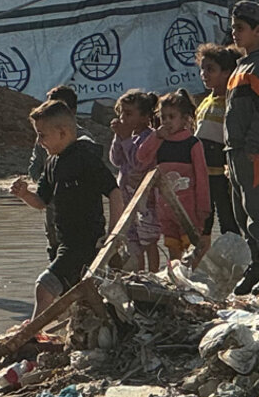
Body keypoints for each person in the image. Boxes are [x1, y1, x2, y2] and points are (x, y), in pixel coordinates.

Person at [10, 100, 122, 317]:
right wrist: (24, 194)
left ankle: (33, 334)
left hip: (85, 242)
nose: (39, 141)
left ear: (62, 133)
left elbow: (114, 192)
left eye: (42, 135)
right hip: (65, 242)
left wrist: (113, 235)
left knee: (44, 287)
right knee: (79, 298)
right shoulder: (52, 163)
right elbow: (41, 202)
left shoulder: (85, 158)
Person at [223, 0, 259, 295]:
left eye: (241, 28)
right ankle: (255, 263)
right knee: (241, 214)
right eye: (233, 27)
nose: (235, 33)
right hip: (234, 152)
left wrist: (253, 147)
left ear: (258, 31)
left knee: (256, 212)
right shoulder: (240, 65)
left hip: (250, 152)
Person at [136, 90, 211, 262]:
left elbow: (202, 178)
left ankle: (191, 281)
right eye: (164, 118)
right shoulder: (160, 142)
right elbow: (141, 157)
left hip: (188, 210)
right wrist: (156, 136)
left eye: (172, 117)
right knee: (172, 249)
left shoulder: (192, 144)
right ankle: (177, 283)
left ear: (184, 119)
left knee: (191, 250)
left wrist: (203, 208)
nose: (167, 122)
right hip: (165, 209)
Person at [194, 44, 241, 241]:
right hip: (203, 173)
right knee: (203, 218)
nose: (204, 74)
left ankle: (235, 258)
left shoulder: (231, 103)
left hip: (222, 175)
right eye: (202, 69)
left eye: (211, 69)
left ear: (227, 73)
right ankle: (202, 257)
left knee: (227, 217)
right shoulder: (206, 102)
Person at [111, 89, 161, 272]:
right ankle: (139, 276)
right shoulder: (127, 135)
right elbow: (116, 160)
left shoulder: (149, 137)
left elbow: (138, 162)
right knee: (132, 243)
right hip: (126, 199)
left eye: (129, 114)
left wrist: (125, 139)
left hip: (146, 201)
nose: (123, 117)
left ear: (145, 116)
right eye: (121, 113)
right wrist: (119, 137)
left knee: (148, 241)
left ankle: (154, 275)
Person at [27, 84, 79, 260]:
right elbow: (34, 168)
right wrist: (47, 181)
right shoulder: (42, 140)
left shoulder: (84, 142)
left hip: (77, 209)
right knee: (54, 246)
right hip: (52, 202)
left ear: (71, 112)